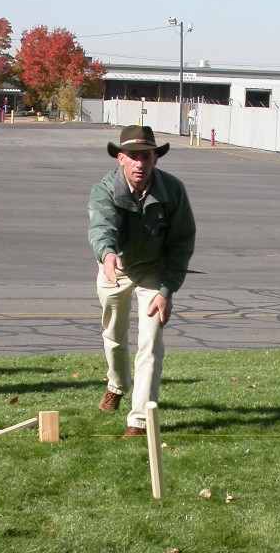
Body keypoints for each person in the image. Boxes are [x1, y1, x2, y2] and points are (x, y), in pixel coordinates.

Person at [88, 125, 195, 436]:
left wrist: (167, 290)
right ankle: (117, 385)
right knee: (114, 335)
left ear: (155, 159)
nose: (139, 163)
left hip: (153, 270)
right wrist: (107, 254)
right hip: (114, 268)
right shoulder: (104, 189)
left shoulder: (172, 190)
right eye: (132, 157)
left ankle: (138, 420)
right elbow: (100, 227)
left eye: (146, 156)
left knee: (150, 343)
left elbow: (181, 243)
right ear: (120, 158)